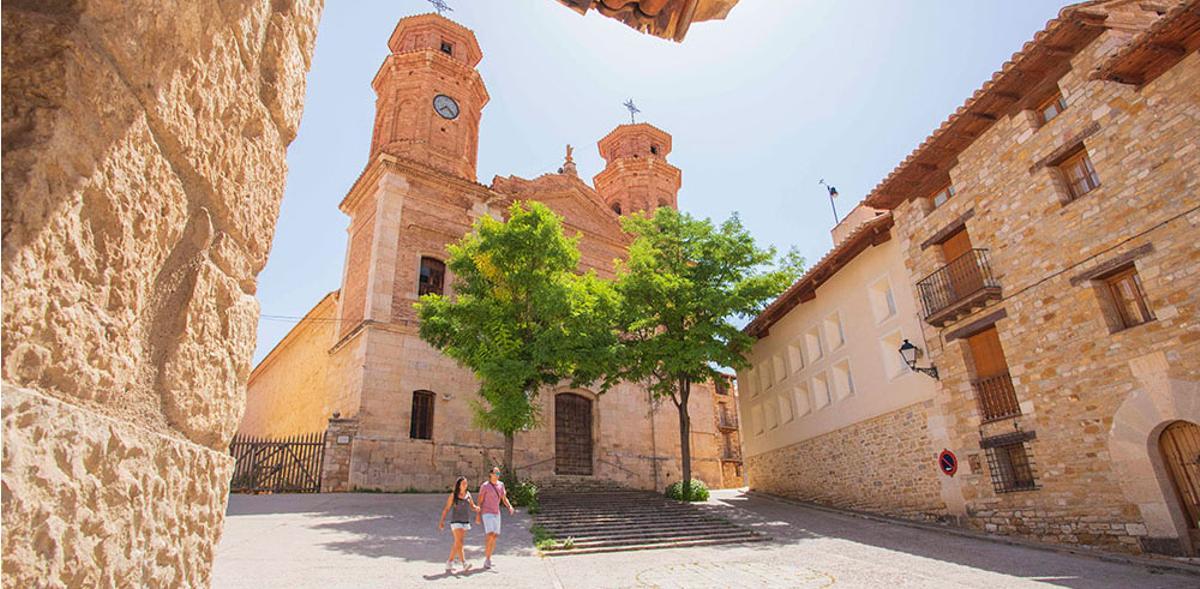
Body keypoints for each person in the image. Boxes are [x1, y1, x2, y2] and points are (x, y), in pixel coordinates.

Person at [438, 476, 479, 574]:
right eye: (463, 483)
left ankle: (449, 562)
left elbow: (472, 506)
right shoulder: (453, 495)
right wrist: (442, 521)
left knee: (458, 543)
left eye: (466, 483)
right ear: (459, 485)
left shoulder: (468, 494)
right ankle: (464, 563)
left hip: (465, 521)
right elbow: (446, 509)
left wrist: (476, 508)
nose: (465, 485)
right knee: (459, 542)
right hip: (456, 521)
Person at [476, 466, 514, 570]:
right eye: (496, 473)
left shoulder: (501, 485)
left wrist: (509, 506)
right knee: (490, 534)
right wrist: (478, 515)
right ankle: (487, 559)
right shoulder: (485, 486)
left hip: (496, 513)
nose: (497, 475)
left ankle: (489, 556)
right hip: (486, 512)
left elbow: (504, 498)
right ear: (491, 474)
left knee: (494, 536)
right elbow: (480, 501)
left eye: (498, 473)